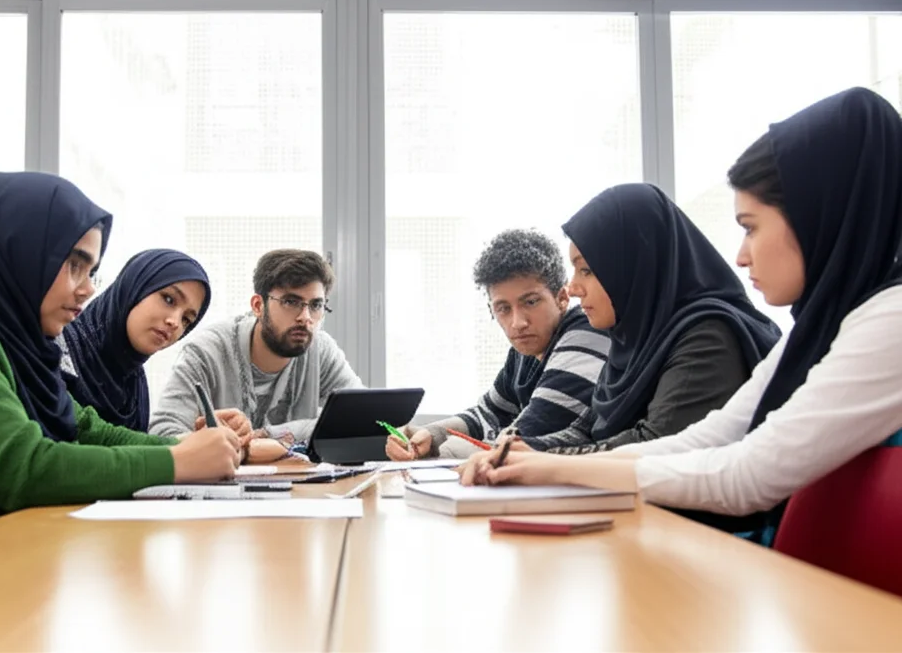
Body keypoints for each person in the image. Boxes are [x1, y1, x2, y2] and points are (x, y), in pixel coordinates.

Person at [461, 86, 902, 540]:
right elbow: (710, 436)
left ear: (819, 216)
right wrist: (538, 463)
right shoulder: (828, 324)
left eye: (751, 228)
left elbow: (747, 475)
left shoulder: (891, 321)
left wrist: (553, 470)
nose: (742, 255)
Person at [0, 171, 241, 551]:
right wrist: (178, 463)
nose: (86, 290)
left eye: (91, 273)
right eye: (73, 265)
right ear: (18, 250)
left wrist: (188, 445)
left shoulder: (16, 342)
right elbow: (19, 469)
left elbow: (85, 428)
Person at [513, 183, 780, 455]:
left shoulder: (707, 337)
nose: (572, 287)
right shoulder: (634, 340)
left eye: (587, 270)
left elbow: (655, 445)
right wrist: (512, 451)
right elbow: (584, 430)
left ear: (635, 265)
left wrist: (537, 463)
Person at [385, 229, 610, 461]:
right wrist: (430, 433)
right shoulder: (524, 351)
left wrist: (446, 448)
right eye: (503, 308)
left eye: (531, 302)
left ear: (562, 298)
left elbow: (526, 436)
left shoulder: (587, 332)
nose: (518, 323)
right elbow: (489, 414)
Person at [149, 249, 362, 445]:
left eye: (315, 305)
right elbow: (161, 433)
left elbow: (361, 418)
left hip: (300, 485)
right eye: (290, 302)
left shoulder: (321, 350)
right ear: (258, 306)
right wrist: (208, 440)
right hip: (222, 484)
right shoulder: (208, 351)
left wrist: (271, 435)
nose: (305, 318)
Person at [58, 248, 215, 433]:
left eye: (186, 319)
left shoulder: (135, 387)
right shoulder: (58, 349)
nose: (175, 323)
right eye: (168, 299)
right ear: (135, 287)